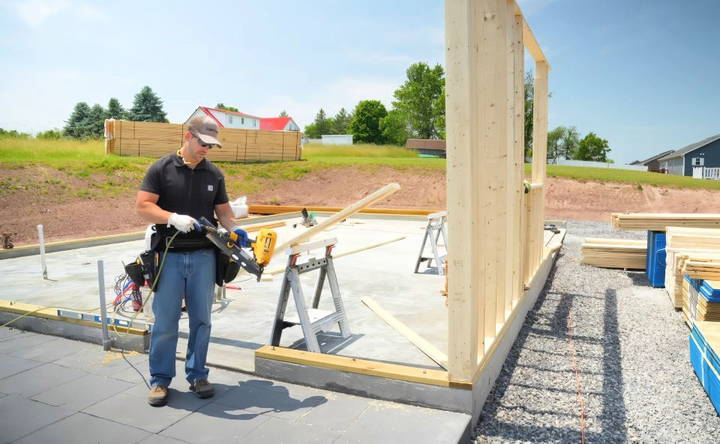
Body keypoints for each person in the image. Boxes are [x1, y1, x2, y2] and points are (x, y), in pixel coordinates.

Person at [136, 116, 248, 407]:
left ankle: (198, 375)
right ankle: (160, 380)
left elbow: (223, 212)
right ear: (188, 136)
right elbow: (144, 206)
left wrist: (235, 230)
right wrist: (172, 218)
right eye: (202, 143)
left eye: (211, 146)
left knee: (202, 320)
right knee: (166, 321)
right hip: (169, 256)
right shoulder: (161, 168)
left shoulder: (214, 174)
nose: (206, 150)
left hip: (204, 257)